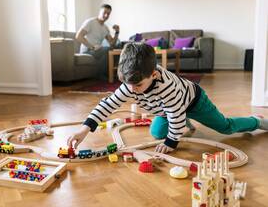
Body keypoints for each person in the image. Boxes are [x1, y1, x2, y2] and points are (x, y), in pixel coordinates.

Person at [67, 42, 268, 154]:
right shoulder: (132, 83)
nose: (133, 91)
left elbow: (175, 113)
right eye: (129, 85)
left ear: (153, 74)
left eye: (138, 86)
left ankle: (256, 121)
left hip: (194, 101)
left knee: (225, 127)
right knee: (157, 133)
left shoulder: (167, 86)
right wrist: (84, 130)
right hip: (168, 109)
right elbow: (108, 104)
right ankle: (183, 122)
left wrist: (172, 143)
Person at [76, 4, 120, 79]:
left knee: (115, 49)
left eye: (108, 14)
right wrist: (92, 47)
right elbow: (78, 36)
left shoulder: (105, 28)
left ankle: (113, 74)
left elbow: (112, 44)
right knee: (107, 50)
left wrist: (117, 32)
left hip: (98, 50)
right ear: (100, 12)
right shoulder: (90, 22)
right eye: (104, 12)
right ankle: (101, 75)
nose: (106, 15)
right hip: (88, 50)